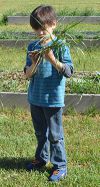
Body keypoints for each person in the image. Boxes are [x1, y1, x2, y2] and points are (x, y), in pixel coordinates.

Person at [24, 5, 73, 182]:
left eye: (42, 29)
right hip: (35, 98)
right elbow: (27, 74)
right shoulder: (32, 46)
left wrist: (52, 59)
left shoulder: (61, 46)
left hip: (52, 100)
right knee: (40, 133)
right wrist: (34, 63)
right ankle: (41, 159)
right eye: (36, 29)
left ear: (53, 24)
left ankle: (60, 165)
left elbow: (68, 71)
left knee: (54, 135)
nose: (39, 33)